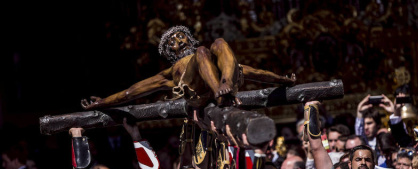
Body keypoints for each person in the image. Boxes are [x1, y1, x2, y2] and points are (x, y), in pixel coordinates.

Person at [81, 25, 295, 110]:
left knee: (219, 42)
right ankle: (221, 94)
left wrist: (283, 80)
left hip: (225, 83)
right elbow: (130, 92)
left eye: (181, 35)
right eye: (173, 40)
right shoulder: (168, 74)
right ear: (168, 51)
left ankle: (224, 87)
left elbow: (252, 71)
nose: (179, 40)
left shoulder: (215, 59)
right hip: (198, 90)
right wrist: (102, 103)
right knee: (203, 51)